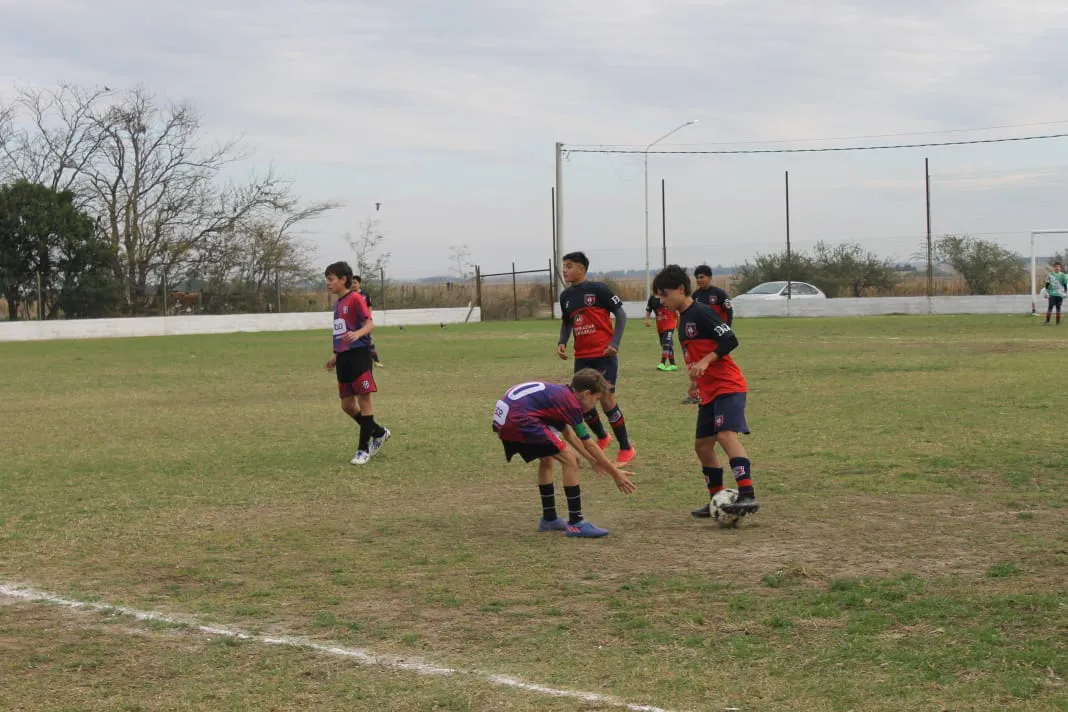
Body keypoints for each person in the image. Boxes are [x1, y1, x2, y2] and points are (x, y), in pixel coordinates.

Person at [652, 264, 760, 518]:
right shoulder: (682, 319)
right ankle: (717, 498)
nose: (661, 300)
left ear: (680, 289)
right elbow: (693, 354)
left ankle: (748, 494)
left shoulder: (701, 312)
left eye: (664, 294)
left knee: (725, 436)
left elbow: (730, 339)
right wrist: (694, 381)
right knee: (702, 446)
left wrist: (707, 361)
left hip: (727, 385)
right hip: (708, 390)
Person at [493, 368, 637, 537]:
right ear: (586, 394)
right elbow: (588, 443)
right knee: (570, 459)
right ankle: (576, 523)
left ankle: (549, 518)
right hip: (518, 419)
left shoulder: (562, 395)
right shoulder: (571, 403)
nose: (595, 405)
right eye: (596, 399)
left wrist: (592, 461)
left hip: (507, 417)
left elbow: (568, 434)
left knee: (547, 458)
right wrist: (615, 474)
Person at [557, 251, 637, 465]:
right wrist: (562, 341)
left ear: (582, 269)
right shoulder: (566, 296)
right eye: (564, 265)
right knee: (582, 401)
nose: (564, 269)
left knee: (607, 400)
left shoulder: (598, 289)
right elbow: (567, 322)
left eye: (569, 265)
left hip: (603, 355)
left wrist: (615, 344)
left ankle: (626, 448)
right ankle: (602, 436)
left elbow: (621, 314)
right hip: (581, 357)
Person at [324, 261, 391, 465]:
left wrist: (357, 334)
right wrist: (336, 355)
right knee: (346, 405)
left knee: (364, 401)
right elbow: (340, 332)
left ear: (343, 280)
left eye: (331, 279)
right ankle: (378, 432)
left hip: (359, 355)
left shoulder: (356, 299)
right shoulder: (337, 304)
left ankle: (363, 450)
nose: (328, 283)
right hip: (344, 357)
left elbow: (370, 323)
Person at [682, 265, 734, 404]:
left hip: (717, 336)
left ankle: (716, 392)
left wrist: (727, 328)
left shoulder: (719, 294)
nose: (699, 280)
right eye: (697, 278)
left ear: (709, 278)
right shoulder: (696, 296)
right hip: (701, 338)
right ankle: (696, 393)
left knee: (714, 366)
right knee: (698, 365)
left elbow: (729, 311)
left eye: (702, 277)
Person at [352, 274, 383, 364]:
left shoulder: (365, 295)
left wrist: (369, 319)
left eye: (355, 283)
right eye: (352, 283)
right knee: (351, 340)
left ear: (359, 284)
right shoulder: (349, 295)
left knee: (369, 340)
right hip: (353, 322)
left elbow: (369, 307)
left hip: (364, 322)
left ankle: (376, 361)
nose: (353, 285)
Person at [644, 290, 678, 371]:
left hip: (670, 324)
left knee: (666, 343)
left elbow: (676, 310)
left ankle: (662, 363)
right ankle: (673, 364)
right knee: (666, 344)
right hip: (660, 325)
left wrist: (679, 322)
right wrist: (647, 319)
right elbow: (648, 310)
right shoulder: (652, 299)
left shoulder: (669, 295)